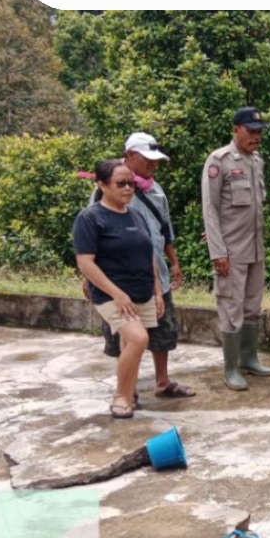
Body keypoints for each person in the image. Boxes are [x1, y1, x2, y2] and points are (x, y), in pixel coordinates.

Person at [95, 133, 195, 399]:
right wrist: (89, 278)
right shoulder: (107, 188)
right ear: (129, 156)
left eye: (156, 160)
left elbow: (165, 228)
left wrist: (174, 261)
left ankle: (162, 381)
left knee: (162, 329)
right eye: (147, 159)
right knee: (126, 336)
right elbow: (92, 237)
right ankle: (127, 389)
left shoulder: (155, 189)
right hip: (120, 277)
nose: (153, 164)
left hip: (155, 272)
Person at [74, 159, 164, 418]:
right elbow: (85, 262)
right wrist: (117, 294)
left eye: (131, 184)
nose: (128, 189)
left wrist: (158, 292)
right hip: (111, 294)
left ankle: (130, 391)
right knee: (138, 338)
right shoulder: (90, 218)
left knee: (130, 344)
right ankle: (121, 396)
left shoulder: (136, 215)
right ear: (102, 185)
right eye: (121, 184)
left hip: (142, 291)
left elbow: (149, 255)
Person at [201, 107, 270, 391]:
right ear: (236, 129)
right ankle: (231, 368)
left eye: (259, 132)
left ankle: (249, 358)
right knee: (231, 308)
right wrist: (218, 252)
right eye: (251, 131)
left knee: (252, 307)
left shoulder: (257, 161)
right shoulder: (219, 161)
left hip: (255, 249)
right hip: (231, 251)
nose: (257, 136)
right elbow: (210, 209)